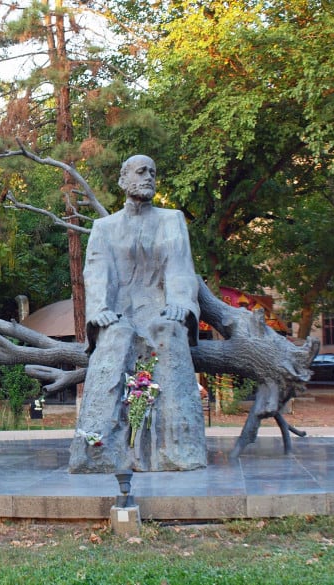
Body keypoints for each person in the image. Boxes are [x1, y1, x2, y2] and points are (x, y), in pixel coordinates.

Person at [69, 154, 207, 473]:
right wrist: (100, 310)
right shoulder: (104, 227)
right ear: (123, 179)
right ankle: (97, 448)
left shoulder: (172, 220)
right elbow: (96, 272)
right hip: (119, 313)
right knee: (114, 337)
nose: (148, 177)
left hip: (160, 310)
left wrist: (180, 304)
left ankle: (178, 448)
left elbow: (180, 269)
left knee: (170, 332)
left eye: (153, 172)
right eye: (141, 171)